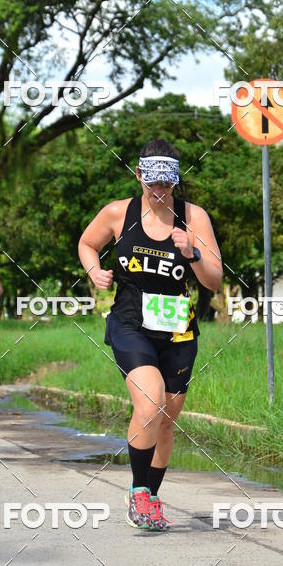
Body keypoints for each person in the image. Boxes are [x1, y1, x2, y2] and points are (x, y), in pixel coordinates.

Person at [78, 140, 222, 531]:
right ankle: (138, 493)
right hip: (129, 323)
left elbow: (215, 279)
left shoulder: (193, 218)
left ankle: (152, 496)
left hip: (177, 329)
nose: (159, 192)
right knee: (150, 404)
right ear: (139, 175)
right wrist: (94, 271)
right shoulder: (117, 213)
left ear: (176, 182)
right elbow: (87, 244)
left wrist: (192, 253)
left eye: (167, 185)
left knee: (167, 419)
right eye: (152, 183)